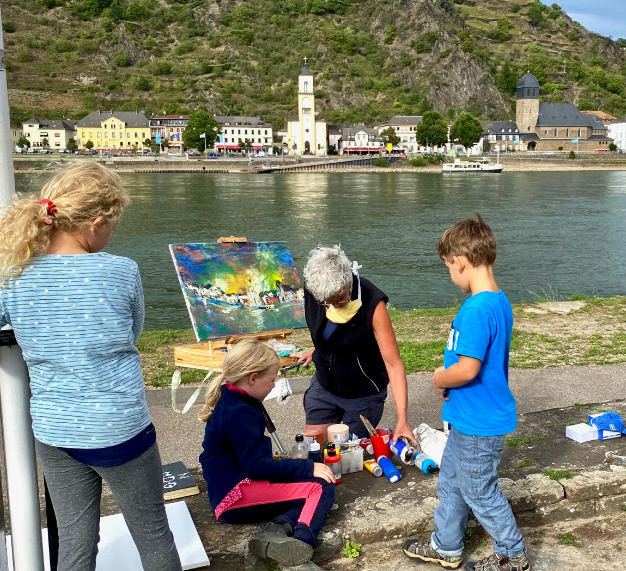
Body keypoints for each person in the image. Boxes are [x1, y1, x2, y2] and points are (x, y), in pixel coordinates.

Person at [0, 163, 181, 571]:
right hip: (120, 428)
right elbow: (132, 331)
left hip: (57, 433)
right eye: (111, 225)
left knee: (75, 542)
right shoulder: (121, 271)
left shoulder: (12, 274)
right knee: (152, 534)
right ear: (95, 223)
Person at [402, 215, 530, 571]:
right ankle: (446, 546)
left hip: (478, 422)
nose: (450, 275)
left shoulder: (476, 309)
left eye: (448, 267)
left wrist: (440, 378)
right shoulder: (498, 301)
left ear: (460, 262)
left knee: (478, 490)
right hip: (468, 414)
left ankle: (513, 554)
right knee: (453, 483)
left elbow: (468, 368)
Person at [199, 338, 335, 568]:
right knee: (321, 487)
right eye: (271, 379)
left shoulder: (231, 397)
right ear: (252, 378)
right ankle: (302, 548)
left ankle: (275, 531)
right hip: (236, 494)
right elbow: (256, 467)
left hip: (227, 490)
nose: (274, 385)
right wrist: (308, 467)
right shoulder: (241, 412)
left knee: (306, 493)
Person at [297, 246, 416, 443]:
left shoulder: (372, 303)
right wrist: (319, 348)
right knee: (314, 447)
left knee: (344, 452)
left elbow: (394, 364)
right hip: (325, 384)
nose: (334, 306)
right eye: (327, 302)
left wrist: (402, 420)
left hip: (362, 393)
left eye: (340, 300)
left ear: (349, 279)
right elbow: (324, 327)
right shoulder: (316, 289)